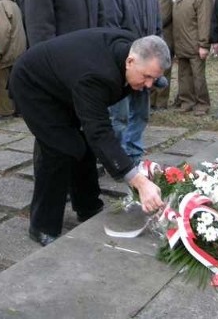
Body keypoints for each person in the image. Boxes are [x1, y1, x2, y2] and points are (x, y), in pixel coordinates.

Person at [9, 28, 169, 246]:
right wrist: (139, 181)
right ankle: (42, 226)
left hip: (65, 82)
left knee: (82, 144)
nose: (149, 86)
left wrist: (155, 76)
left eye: (155, 79)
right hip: (34, 86)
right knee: (59, 148)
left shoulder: (132, 50)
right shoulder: (97, 76)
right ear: (130, 61)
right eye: (147, 77)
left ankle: (88, 206)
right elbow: (100, 132)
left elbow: (94, 134)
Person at [101, 0, 162, 164]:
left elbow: (156, 27)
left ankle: (133, 154)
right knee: (120, 116)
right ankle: (115, 157)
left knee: (141, 114)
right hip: (123, 66)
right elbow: (111, 28)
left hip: (145, 65)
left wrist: (157, 56)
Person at [172, 0, 213, 116]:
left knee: (198, 76)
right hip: (181, 45)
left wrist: (203, 44)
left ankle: (202, 104)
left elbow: (204, 23)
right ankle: (186, 101)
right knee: (183, 76)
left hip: (195, 45)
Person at [149, 0, 174, 110]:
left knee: (164, 72)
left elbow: (162, 18)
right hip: (154, 41)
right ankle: (152, 101)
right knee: (152, 70)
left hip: (165, 41)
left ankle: (161, 103)